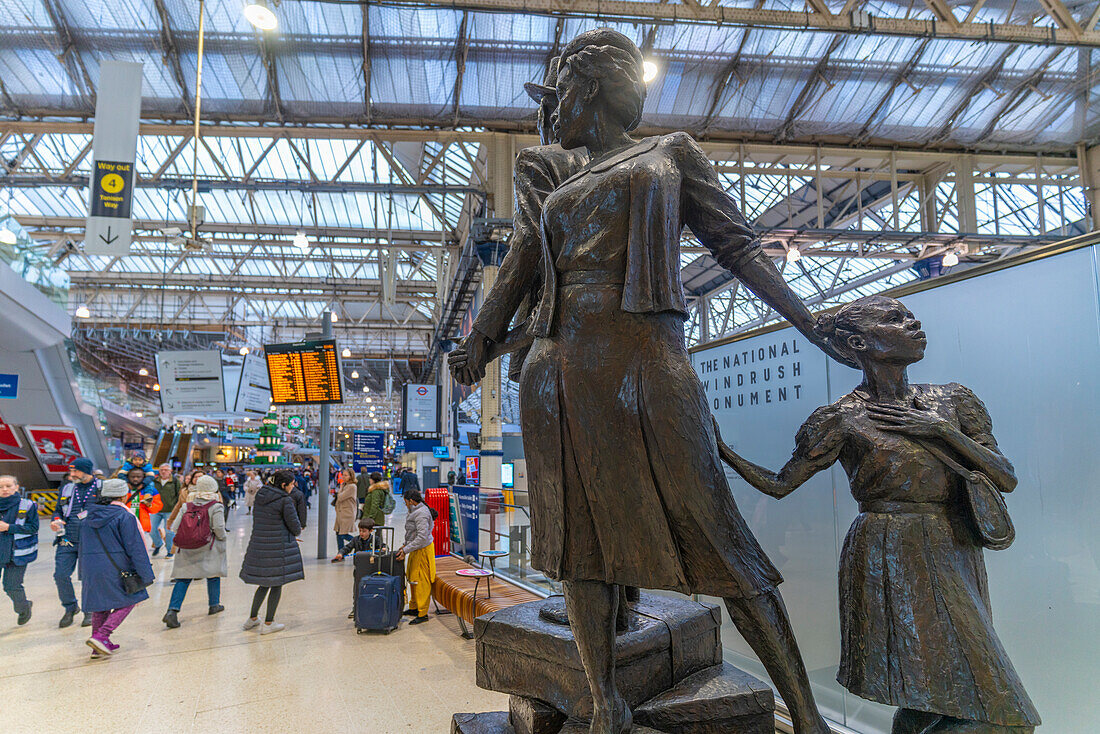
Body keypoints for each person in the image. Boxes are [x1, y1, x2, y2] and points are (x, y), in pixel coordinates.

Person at [448, 29, 849, 734]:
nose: (550, 114)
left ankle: (808, 718)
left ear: (591, 87)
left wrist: (808, 322)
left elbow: (737, 244)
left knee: (718, 530)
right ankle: (606, 699)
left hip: (649, 357)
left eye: (559, 93)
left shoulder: (671, 153)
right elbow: (520, 269)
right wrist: (477, 343)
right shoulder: (556, 181)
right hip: (560, 372)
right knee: (577, 540)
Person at [715, 296, 1041, 734]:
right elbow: (779, 484)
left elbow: (1005, 477)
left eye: (909, 316)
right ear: (858, 341)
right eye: (895, 319)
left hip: (954, 542)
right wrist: (718, 449)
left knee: (945, 692)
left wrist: (941, 431)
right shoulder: (841, 418)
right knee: (942, 693)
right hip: (888, 549)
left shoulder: (953, 400)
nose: (913, 323)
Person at [79, 478, 155, 658]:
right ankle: (102, 635)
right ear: (123, 495)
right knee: (133, 597)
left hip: (91, 567)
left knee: (100, 605)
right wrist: (146, 574)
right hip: (116, 566)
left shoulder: (87, 516)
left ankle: (96, 648)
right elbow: (134, 547)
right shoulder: (124, 516)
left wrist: (82, 571)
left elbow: (81, 545)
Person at [240, 469, 303, 635]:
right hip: (278, 547)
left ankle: (252, 618)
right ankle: (269, 622)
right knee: (276, 583)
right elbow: (295, 527)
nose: (293, 486)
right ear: (283, 485)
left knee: (264, 583)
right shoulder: (285, 500)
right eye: (291, 484)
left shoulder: (261, 495)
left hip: (260, 545)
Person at [162, 475, 227, 628]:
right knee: (213, 574)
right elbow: (219, 529)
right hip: (208, 547)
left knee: (183, 578)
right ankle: (214, 605)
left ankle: (172, 611)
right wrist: (222, 538)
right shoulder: (216, 506)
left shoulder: (187, 505)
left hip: (187, 548)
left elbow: (175, 527)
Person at [51, 457, 100, 628]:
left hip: (91, 540)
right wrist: (56, 520)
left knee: (88, 577)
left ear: (87, 471)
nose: (71, 474)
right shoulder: (67, 488)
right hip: (67, 538)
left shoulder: (100, 488)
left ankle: (90, 610)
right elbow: (58, 510)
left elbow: (107, 510)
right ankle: (70, 607)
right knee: (61, 575)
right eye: (70, 471)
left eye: (75, 471)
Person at [0, 475, 38, 626]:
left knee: (11, 586)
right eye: (1, 487)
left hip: (17, 554)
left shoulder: (27, 505)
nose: (4, 489)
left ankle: (24, 608)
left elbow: (33, 528)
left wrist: (9, 528)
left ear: (16, 487)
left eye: (8, 486)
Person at [395, 488, 435, 626]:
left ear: (411, 501)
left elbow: (422, 538)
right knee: (412, 577)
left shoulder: (421, 514)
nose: (405, 505)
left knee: (421, 580)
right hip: (414, 549)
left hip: (422, 551)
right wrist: (404, 546)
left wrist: (406, 549)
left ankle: (423, 613)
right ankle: (414, 607)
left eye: (406, 502)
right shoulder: (414, 511)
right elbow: (412, 534)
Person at [150, 463, 180, 558]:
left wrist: (177, 508)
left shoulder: (175, 481)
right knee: (151, 529)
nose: (163, 471)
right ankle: (158, 544)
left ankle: (169, 551)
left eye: (166, 470)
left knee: (169, 532)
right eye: (161, 470)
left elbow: (179, 495)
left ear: (170, 471)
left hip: (170, 510)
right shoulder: (154, 481)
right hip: (156, 510)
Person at [124, 466, 163, 537]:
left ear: (143, 478)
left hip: (142, 525)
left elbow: (157, 507)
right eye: (132, 477)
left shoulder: (151, 491)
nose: (135, 479)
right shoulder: (123, 489)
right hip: (124, 524)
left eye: (138, 477)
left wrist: (149, 505)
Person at [333, 468, 358, 555]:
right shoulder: (345, 485)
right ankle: (340, 553)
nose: (343, 477)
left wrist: (340, 489)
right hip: (341, 513)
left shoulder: (352, 486)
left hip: (347, 513)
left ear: (351, 476)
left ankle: (358, 542)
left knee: (343, 534)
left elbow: (340, 497)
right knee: (338, 533)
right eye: (343, 475)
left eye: (346, 475)